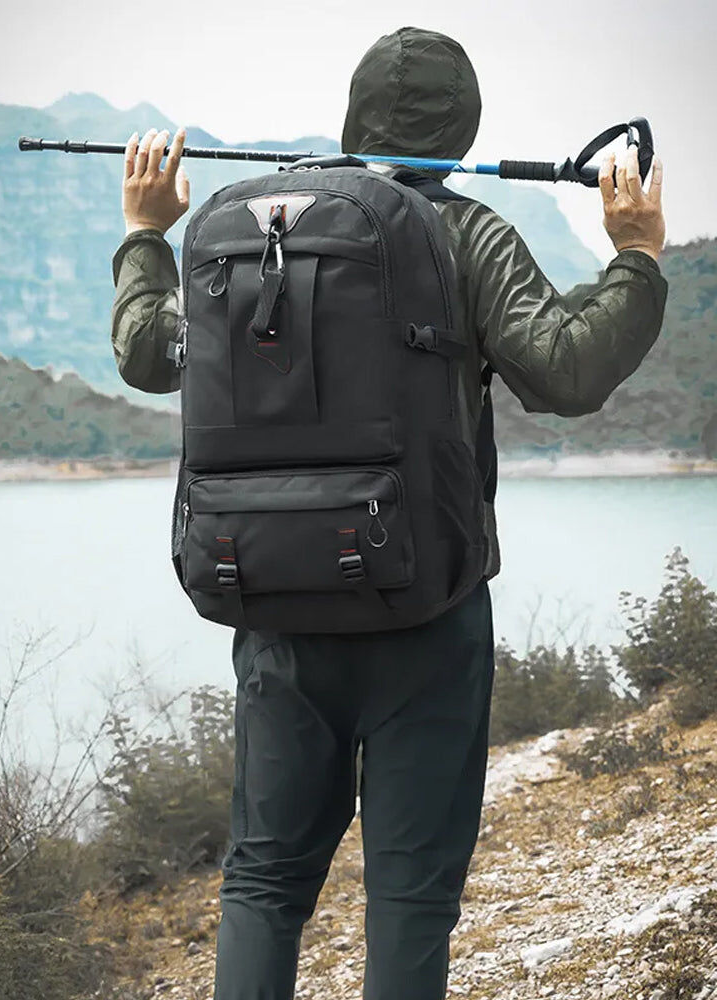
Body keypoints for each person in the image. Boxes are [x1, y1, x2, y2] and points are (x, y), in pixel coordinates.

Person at [109, 26, 667, 1000]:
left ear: (352, 118)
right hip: (426, 610)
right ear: (464, 130)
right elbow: (568, 369)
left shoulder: (259, 231)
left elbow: (145, 353)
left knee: (264, 881)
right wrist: (635, 257)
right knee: (408, 897)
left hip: (274, 602)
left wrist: (147, 232)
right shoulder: (467, 235)